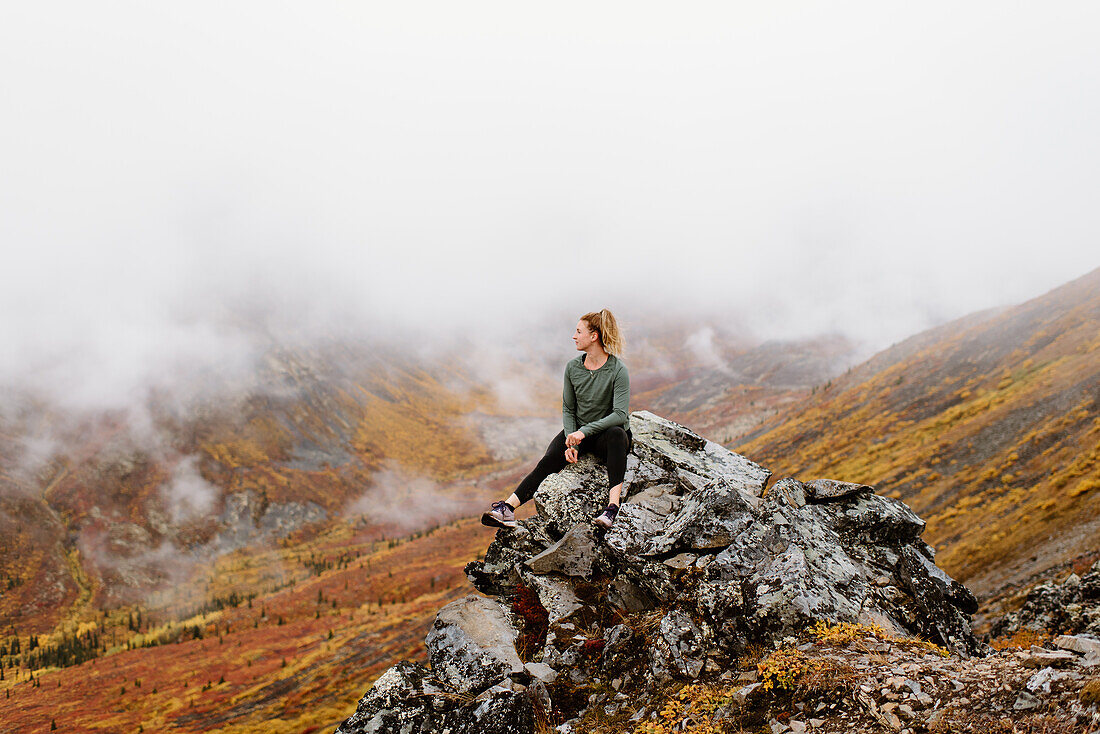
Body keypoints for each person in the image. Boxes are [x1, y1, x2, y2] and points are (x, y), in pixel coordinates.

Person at [482, 309, 632, 531]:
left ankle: (612, 508)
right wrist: (573, 440)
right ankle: (507, 508)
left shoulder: (618, 370)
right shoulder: (573, 367)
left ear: (594, 336)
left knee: (618, 436)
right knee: (550, 459)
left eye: (579, 331)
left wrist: (584, 432)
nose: (574, 336)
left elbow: (620, 415)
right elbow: (568, 408)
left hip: (608, 435)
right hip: (579, 432)